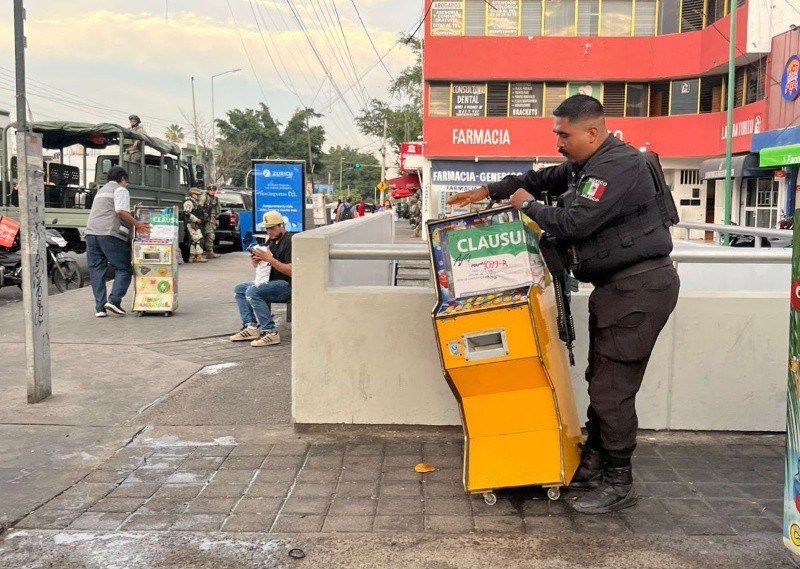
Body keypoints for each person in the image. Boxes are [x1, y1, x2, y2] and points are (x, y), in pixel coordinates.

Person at [446, 94, 680, 515]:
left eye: (563, 134)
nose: (557, 141)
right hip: (619, 291)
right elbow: (540, 179)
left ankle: (619, 482)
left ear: (592, 132)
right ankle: (593, 463)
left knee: (612, 391)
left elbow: (574, 223)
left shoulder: (617, 165)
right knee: (601, 379)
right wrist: (488, 191)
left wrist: (526, 206)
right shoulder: (589, 164)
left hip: (639, 289)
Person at [84, 166, 148, 317]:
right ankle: (114, 301)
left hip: (91, 234)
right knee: (124, 268)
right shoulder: (120, 190)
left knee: (96, 270)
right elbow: (120, 211)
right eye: (126, 181)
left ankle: (100, 308)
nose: (126, 184)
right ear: (122, 179)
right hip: (108, 234)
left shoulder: (101, 191)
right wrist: (137, 224)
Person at [229, 211, 293, 347]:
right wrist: (256, 261)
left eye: (272, 228)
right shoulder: (271, 241)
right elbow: (261, 266)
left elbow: (292, 271)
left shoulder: (290, 241)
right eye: (267, 228)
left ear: (281, 225)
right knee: (240, 288)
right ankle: (251, 327)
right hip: (270, 281)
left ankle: (270, 332)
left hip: (287, 285)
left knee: (253, 292)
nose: (269, 231)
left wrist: (270, 259)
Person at [183, 187, 207, 263]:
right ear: (193, 194)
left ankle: (192, 256)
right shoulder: (189, 202)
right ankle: (199, 256)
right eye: (197, 195)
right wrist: (196, 219)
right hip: (191, 224)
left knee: (194, 241)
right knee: (199, 239)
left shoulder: (195, 203)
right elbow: (186, 213)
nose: (198, 196)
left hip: (195, 224)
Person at [202, 186, 222, 259]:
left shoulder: (215, 199)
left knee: (210, 236)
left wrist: (216, 217)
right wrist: (205, 216)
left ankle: (209, 251)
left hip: (213, 219)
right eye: (210, 190)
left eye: (214, 190)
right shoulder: (205, 198)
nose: (212, 191)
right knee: (210, 236)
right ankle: (209, 252)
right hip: (206, 219)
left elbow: (219, 209)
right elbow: (200, 208)